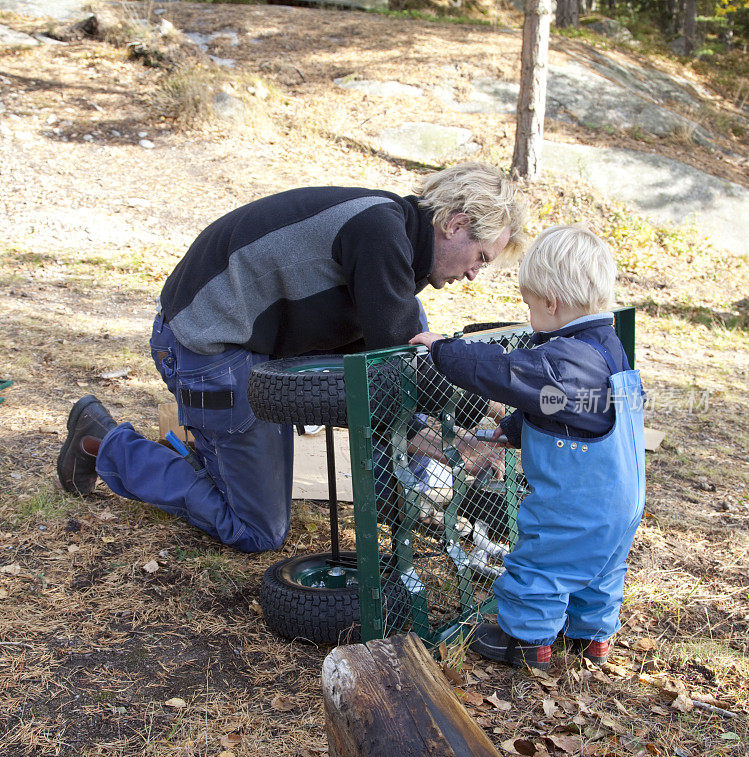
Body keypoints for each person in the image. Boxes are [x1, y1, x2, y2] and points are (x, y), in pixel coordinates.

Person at [57, 163, 526, 553]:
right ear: (455, 224)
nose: (473, 274)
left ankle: (219, 457)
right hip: (207, 349)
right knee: (258, 530)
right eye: (481, 257)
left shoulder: (395, 239)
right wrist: (458, 440)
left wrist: (479, 416)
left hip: (252, 345)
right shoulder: (382, 237)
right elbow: (388, 381)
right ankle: (102, 443)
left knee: (411, 347)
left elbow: (393, 369)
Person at [410, 225, 646, 670]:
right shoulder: (606, 347)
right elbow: (572, 409)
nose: (530, 316)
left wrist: (444, 350)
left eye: (530, 306)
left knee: (541, 564)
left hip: (577, 502)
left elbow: (504, 372)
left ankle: (525, 641)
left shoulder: (566, 357)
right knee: (601, 572)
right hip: (623, 501)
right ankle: (591, 639)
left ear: (552, 302)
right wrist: (518, 429)